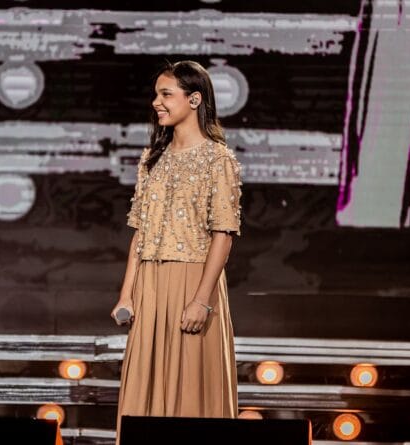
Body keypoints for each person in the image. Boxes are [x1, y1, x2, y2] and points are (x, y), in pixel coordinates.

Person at [111, 60, 241, 434]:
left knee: (190, 386)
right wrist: (127, 295)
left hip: (192, 282)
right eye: (156, 94)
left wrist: (201, 300)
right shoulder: (152, 158)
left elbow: (223, 233)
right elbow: (140, 231)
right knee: (144, 390)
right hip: (150, 285)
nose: (157, 102)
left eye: (166, 94)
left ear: (195, 99)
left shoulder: (219, 159)